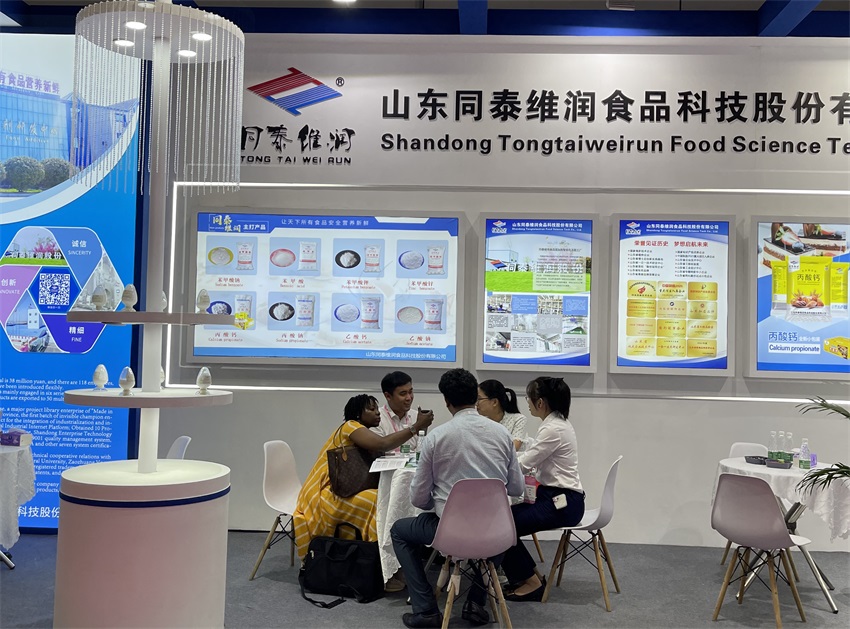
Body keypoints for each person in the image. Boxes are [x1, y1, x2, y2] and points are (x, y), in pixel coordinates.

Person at [390, 369, 524, 629]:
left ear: (446, 401)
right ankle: (475, 602)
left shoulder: (436, 437)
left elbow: (418, 498)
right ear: (475, 397)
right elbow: (516, 487)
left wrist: (439, 505)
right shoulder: (502, 434)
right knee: (502, 537)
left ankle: (425, 609)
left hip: (450, 532)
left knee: (399, 531)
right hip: (496, 531)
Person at [293, 394, 433, 560]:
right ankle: (379, 554)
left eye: (377, 409)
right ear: (358, 414)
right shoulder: (350, 426)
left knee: (385, 497)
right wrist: (416, 427)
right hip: (327, 492)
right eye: (371, 409)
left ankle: (397, 550)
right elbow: (383, 444)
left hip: (346, 488)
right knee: (378, 501)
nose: (377, 413)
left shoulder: (364, 431)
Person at [501, 376, 585, 602]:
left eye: (529, 398)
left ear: (540, 402)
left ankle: (531, 583)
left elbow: (524, 463)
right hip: (556, 498)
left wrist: (495, 462)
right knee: (503, 520)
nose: (527, 402)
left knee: (500, 525)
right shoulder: (556, 424)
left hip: (562, 503)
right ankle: (530, 578)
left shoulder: (553, 429)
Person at [373, 371, 433, 453]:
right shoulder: (376, 418)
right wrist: (417, 426)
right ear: (388, 396)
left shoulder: (416, 416)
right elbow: (380, 448)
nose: (409, 398)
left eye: (410, 392)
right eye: (403, 394)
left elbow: (421, 450)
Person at [476, 379, 526, 451]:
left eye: (479, 399)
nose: (476, 403)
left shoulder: (518, 419)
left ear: (494, 402)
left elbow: (514, 448)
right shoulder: (479, 421)